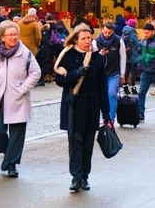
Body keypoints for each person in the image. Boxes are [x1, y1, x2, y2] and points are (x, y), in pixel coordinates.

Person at [54, 24, 110, 193]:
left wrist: (106, 111)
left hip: (91, 105)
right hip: (74, 105)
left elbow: (102, 86)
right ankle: (76, 177)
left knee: (87, 143)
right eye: (83, 39)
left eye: (89, 38)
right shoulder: (66, 55)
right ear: (76, 40)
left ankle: (85, 176)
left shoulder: (97, 58)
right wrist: (76, 73)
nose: (87, 42)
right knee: (75, 141)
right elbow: (60, 81)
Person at [0, 20, 41, 178]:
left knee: (17, 134)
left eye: (15, 34)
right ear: (2, 37)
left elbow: (36, 73)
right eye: (10, 35)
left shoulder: (25, 53)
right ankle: (8, 156)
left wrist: (22, 89)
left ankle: (11, 164)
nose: (13, 37)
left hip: (18, 99)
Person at [92, 20, 126, 121]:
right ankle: (101, 118)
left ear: (113, 31)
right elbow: (92, 58)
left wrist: (122, 75)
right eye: (105, 32)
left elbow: (123, 58)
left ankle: (110, 120)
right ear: (102, 30)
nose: (107, 35)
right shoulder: (96, 41)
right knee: (99, 96)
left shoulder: (119, 41)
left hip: (114, 72)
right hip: (100, 74)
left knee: (111, 94)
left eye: (109, 33)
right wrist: (100, 54)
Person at [122, 18, 141, 91]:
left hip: (127, 54)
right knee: (133, 71)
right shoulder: (133, 33)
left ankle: (125, 86)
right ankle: (133, 87)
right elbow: (137, 44)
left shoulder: (124, 32)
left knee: (127, 70)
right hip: (133, 55)